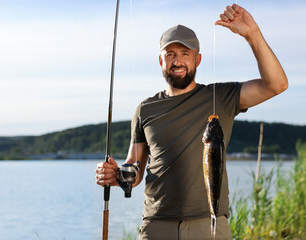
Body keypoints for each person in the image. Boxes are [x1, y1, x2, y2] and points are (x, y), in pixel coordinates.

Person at [96, 4, 288, 240]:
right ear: (160, 60)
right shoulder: (145, 110)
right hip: (156, 225)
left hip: (209, 225)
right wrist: (116, 176)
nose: (177, 61)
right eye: (170, 54)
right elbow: (134, 170)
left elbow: (276, 84)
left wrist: (253, 35)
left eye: (185, 54)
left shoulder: (222, 97)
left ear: (197, 59)